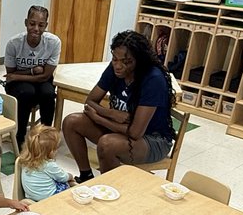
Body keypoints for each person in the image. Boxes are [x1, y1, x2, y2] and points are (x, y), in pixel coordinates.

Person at [62, 30, 173, 182]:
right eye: (115, 59)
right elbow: (90, 102)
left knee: (107, 144)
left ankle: (109, 189)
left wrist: (99, 118)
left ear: (139, 61)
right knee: (71, 122)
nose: (118, 66)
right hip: (118, 127)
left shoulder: (153, 79)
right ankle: (86, 177)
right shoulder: (114, 68)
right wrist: (111, 113)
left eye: (126, 62)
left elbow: (135, 132)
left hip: (152, 138)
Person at [4, 6, 61, 147]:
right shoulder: (14, 43)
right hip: (20, 85)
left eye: (41, 25)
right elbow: (10, 73)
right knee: (26, 92)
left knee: (48, 94)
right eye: (32, 23)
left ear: (46, 26)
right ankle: (19, 136)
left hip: (41, 80)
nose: (36, 28)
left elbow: (46, 75)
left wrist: (18, 76)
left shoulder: (54, 42)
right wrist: (31, 72)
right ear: (26, 22)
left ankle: (46, 137)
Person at [20, 124, 75, 201]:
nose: (56, 151)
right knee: (68, 184)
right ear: (49, 152)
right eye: (55, 148)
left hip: (31, 197)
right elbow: (63, 177)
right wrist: (70, 176)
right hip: (49, 197)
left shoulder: (25, 158)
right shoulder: (48, 165)